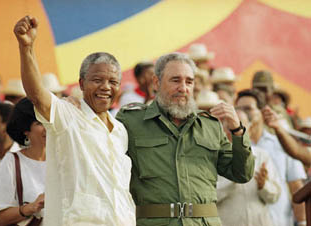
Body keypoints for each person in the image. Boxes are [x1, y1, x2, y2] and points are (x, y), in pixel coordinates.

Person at [13, 15, 135, 226]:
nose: (106, 87)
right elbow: (37, 93)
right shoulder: (67, 115)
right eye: (97, 80)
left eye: (113, 81)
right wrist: (27, 47)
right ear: (81, 83)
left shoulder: (120, 130)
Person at [116, 52, 255, 226]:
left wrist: (237, 130)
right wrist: (77, 108)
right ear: (157, 82)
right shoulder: (131, 121)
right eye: (175, 80)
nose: (183, 88)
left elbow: (242, 173)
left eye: (189, 81)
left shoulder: (210, 125)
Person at [235, 89, 307, 226]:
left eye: (248, 109)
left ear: (262, 112)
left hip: (278, 222)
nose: (242, 113)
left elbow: (296, 187)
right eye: (238, 109)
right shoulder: (232, 147)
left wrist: (302, 222)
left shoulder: (283, 144)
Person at [217, 109, 281, 226]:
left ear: (250, 129)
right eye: (230, 127)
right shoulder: (215, 158)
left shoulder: (262, 156)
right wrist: (235, 176)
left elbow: (275, 196)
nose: (235, 131)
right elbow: (211, 196)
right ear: (222, 131)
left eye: (240, 127)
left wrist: (263, 185)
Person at [0, 98, 46, 226]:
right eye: (40, 123)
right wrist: (31, 207)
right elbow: (0, 218)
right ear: (26, 130)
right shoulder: (11, 162)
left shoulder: (65, 161)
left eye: (50, 120)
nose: (47, 127)